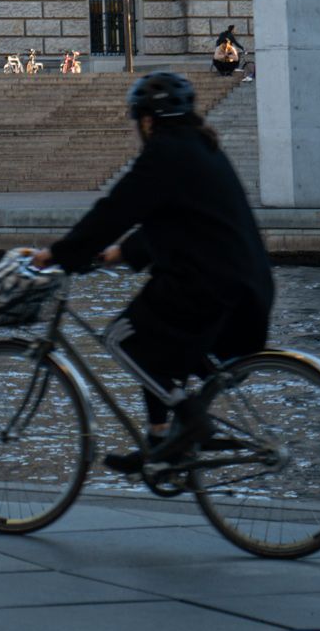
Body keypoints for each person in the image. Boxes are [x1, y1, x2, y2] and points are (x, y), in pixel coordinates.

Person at [16, 71, 271, 475]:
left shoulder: (164, 154)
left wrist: (59, 254)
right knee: (155, 346)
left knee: (121, 337)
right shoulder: (202, 148)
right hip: (246, 290)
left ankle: (191, 422)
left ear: (147, 119)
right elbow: (178, 218)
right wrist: (120, 252)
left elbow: (115, 210)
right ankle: (160, 441)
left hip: (209, 289)